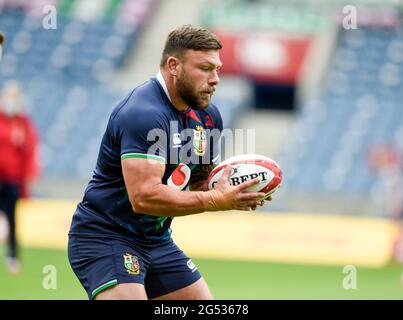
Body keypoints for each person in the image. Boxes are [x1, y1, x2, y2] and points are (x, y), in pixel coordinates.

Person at [68, 25, 269, 300]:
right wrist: (214, 201)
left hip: (156, 240)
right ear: (174, 65)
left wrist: (233, 188)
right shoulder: (143, 113)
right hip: (106, 237)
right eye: (205, 68)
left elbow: (200, 182)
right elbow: (144, 198)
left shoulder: (208, 117)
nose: (215, 79)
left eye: (218, 69)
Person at [0, 80, 40, 274]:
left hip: (12, 180)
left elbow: (30, 150)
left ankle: (13, 257)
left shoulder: (23, 122)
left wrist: (28, 177)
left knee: (12, 219)